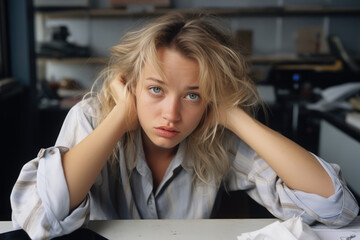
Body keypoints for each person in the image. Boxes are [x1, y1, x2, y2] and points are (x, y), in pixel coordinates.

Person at [10, 12, 358, 239]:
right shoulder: (93, 116)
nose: (171, 115)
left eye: (193, 95)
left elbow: (336, 209)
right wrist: (121, 115)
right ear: (130, 84)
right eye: (156, 89)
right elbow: (42, 218)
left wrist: (231, 114)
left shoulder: (214, 131)